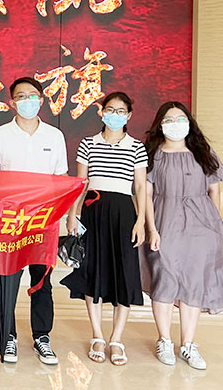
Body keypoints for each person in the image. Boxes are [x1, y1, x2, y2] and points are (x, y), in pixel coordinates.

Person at [141, 101, 223, 370]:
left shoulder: (202, 152)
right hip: (165, 220)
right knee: (165, 278)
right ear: (160, 124)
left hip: (201, 224)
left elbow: (214, 190)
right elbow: (147, 193)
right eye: (169, 119)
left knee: (193, 282)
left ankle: (188, 344)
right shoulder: (152, 154)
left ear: (189, 123)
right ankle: (165, 340)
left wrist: (214, 225)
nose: (175, 124)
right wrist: (151, 228)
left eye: (181, 119)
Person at [0, 77, 67, 365]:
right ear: (11, 102)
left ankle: (42, 336)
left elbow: (61, 179)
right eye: (21, 96)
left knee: (42, 280)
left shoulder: (54, 136)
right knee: (7, 281)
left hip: (43, 220)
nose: (27, 101)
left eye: (32, 96)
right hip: (8, 221)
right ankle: (9, 336)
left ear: (41, 100)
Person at [62, 92, 147, 366]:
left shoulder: (137, 147)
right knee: (93, 271)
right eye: (110, 110)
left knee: (124, 272)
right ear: (102, 112)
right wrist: (73, 214)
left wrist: (141, 221)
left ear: (129, 115)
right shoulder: (88, 143)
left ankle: (117, 339)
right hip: (94, 211)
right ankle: (97, 335)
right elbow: (81, 183)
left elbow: (141, 187)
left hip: (124, 213)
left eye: (121, 111)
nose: (115, 115)